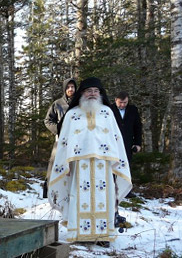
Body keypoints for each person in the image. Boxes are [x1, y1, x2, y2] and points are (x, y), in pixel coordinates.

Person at [47, 77, 132, 247]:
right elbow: (64, 142)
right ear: (82, 93)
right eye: (89, 91)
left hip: (103, 165)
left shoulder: (107, 113)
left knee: (104, 198)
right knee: (79, 197)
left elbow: (116, 139)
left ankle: (102, 236)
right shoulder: (72, 114)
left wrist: (118, 163)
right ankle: (79, 234)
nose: (92, 94)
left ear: (100, 94)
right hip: (80, 165)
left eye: (96, 91)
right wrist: (65, 164)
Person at [43, 78, 77, 198]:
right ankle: (49, 190)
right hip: (61, 140)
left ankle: (73, 191)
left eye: (72, 87)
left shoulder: (80, 104)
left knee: (74, 166)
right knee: (54, 163)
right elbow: (47, 120)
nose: (70, 89)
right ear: (64, 89)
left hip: (77, 141)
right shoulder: (57, 104)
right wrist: (58, 130)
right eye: (68, 87)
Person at [110, 91, 142, 198]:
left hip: (128, 144)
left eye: (125, 102)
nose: (123, 105)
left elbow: (138, 127)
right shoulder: (109, 110)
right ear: (115, 100)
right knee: (112, 166)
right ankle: (112, 189)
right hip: (112, 144)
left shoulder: (133, 110)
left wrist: (137, 143)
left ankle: (126, 190)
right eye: (121, 102)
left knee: (126, 166)